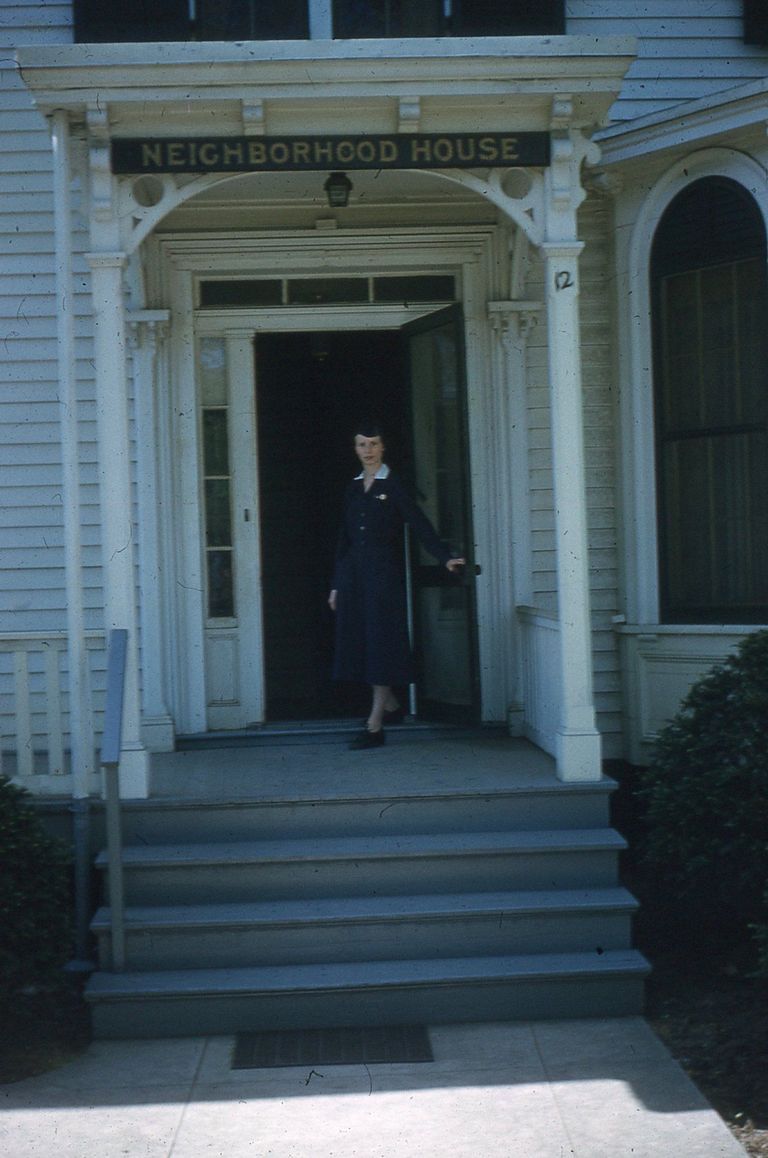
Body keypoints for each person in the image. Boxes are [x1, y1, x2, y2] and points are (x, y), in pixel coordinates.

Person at [328, 423, 465, 749]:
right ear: (356, 449)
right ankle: (389, 705)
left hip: (382, 578)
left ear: (383, 447)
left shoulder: (395, 486)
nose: (368, 450)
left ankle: (374, 726)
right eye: (362, 444)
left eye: (374, 443)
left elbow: (420, 524)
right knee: (360, 644)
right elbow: (343, 540)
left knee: (379, 644)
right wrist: (336, 584)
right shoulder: (353, 488)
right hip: (353, 577)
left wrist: (444, 556)